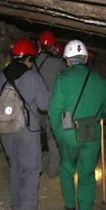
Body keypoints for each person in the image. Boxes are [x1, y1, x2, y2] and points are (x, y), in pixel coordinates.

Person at [49, 40, 106, 210]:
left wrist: (59, 133)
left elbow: (54, 110)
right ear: (86, 59)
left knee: (67, 168)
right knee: (87, 173)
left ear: (68, 61)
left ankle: (70, 206)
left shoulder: (62, 79)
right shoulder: (99, 80)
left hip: (68, 133)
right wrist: (98, 117)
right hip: (91, 132)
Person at [0, 38, 50, 210]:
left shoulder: (0, 76)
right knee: (31, 168)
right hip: (27, 128)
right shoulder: (33, 77)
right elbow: (44, 105)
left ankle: (15, 206)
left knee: (15, 165)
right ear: (28, 58)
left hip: (5, 129)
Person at [33, 30, 67, 178]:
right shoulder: (58, 63)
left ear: (39, 44)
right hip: (53, 106)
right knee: (53, 138)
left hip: (34, 107)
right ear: (52, 46)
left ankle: (36, 168)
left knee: (35, 140)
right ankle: (54, 169)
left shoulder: (31, 62)